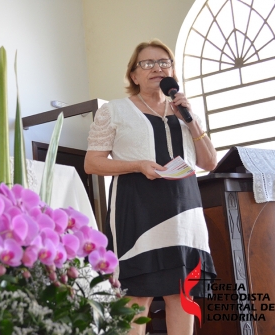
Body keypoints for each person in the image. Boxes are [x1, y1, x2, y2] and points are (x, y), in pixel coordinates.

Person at [84, 39, 217, 335]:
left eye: (164, 62)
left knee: (182, 293)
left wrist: (191, 120)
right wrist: (138, 164)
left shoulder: (185, 112)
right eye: (147, 63)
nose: (157, 68)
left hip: (185, 211)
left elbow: (209, 162)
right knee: (137, 293)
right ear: (134, 75)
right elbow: (92, 163)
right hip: (137, 209)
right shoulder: (114, 111)